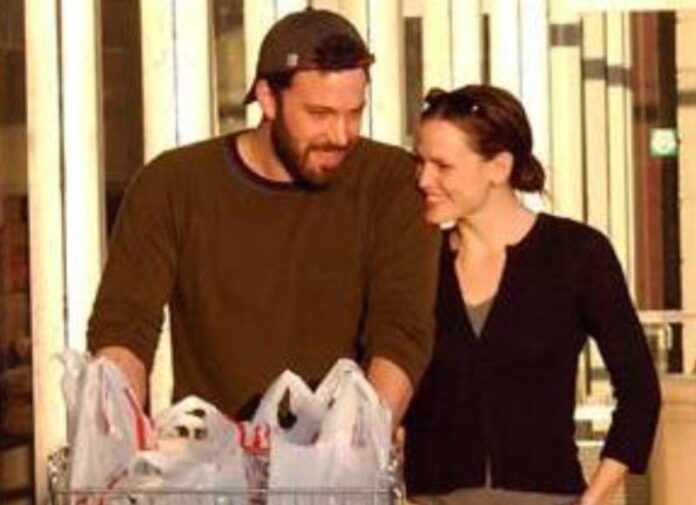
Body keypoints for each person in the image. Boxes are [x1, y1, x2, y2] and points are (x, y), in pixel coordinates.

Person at [87, 8, 439, 425]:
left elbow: (401, 332)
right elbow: (125, 327)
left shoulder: (392, 182)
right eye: (320, 114)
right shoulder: (173, 184)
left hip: (343, 450)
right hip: (214, 455)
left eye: (354, 113)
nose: (341, 134)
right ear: (268, 99)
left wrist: (363, 440)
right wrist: (118, 437)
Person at [404, 85, 661, 505]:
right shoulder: (413, 262)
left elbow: (640, 391)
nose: (423, 179)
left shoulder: (577, 253)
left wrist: (595, 497)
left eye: (442, 166)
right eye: (419, 161)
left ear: (499, 167)